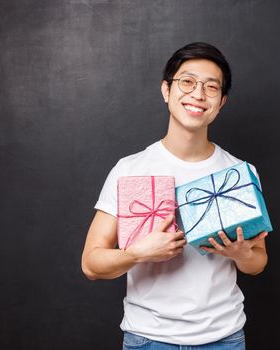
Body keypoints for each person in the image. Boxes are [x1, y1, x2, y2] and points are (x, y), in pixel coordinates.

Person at [81, 42, 269, 349]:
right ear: (166, 91)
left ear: (221, 102)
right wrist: (138, 254)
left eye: (211, 87)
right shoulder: (130, 169)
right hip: (148, 340)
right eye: (187, 81)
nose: (198, 94)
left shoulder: (239, 172)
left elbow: (258, 261)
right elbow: (91, 264)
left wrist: (241, 255)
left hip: (224, 339)